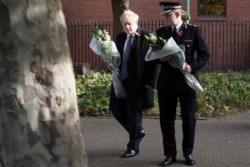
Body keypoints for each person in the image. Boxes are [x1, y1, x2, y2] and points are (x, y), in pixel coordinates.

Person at [156, 2, 210, 166]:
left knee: (188, 118)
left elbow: (204, 55)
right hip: (166, 83)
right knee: (166, 120)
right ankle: (169, 154)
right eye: (164, 15)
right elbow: (152, 57)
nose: (165, 18)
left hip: (187, 83)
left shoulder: (193, 31)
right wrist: (160, 58)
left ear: (177, 14)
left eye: (168, 15)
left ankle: (188, 153)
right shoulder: (161, 33)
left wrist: (191, 67)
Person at [109, 9, 160, 158]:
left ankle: (133, 147)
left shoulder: (148, 37)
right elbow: (117, 57)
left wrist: (150, 82)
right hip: (121, 80)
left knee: (134, 113)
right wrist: (111, 65)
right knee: (117, 110)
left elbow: (155, 62)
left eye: (130, 24)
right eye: (124, 25)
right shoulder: (120, 37)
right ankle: (138, 131)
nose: (127, 28)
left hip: (138, 83)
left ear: (136, 22)